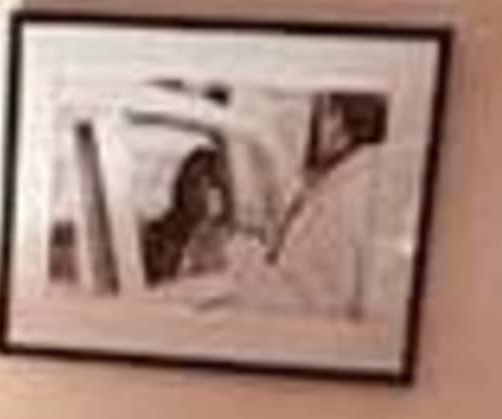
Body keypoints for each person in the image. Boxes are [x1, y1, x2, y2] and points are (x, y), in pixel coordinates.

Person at [247, 89, 394, 319]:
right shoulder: (338, 185)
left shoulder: (348, 198)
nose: (299, 132)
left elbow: (313, 304)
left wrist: (245, 267)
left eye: (313, 113)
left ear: (335, 119)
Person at [142, 143, 240, 288]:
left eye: (215, 184)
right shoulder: (158, 236)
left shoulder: (235, 239)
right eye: (191, 182)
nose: (202, 192)